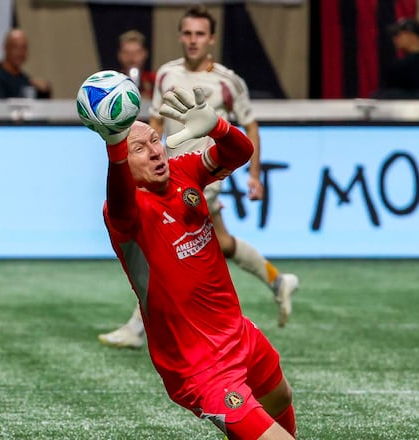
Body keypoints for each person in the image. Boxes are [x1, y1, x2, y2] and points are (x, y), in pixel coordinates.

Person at [93, 85, 297, 439]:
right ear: (124, 164)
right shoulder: (125, 214)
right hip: (199, 366)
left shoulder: (182, 172)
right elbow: (121, 195)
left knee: (281, 398)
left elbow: (240, 152)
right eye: (139, 149)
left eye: (155, 140)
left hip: (239, 334)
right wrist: (114, 144)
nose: (156, 152)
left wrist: (217, 126)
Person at [98, 5, 299, 349]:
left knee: (165, 246)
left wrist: (254, 175)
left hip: (202, 176)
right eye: (187, 33)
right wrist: (147, 153)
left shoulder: (228, 81)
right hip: (167, 174)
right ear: (180, 36)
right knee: (218, 243)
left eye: (200, 34)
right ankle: (277, 280)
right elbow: (156, 121)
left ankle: (137, 327)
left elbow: (250, 126)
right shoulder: (166, 74)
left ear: (212, 39)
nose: (193, 41)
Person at [0, 29, 52, 99]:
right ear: (5, 48)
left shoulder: (25, 80)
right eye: (16, 47)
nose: (20, 53)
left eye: (24, 48)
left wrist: (44, 91)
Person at [117, 30, 156, 99]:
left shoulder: (155, 80)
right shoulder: (113, 82)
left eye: (136, 52)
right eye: (126, 53)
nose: (131, 57)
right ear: (119, 55)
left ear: (145, 53)